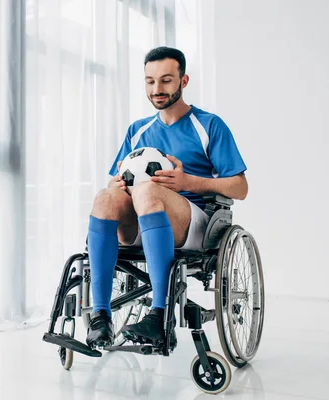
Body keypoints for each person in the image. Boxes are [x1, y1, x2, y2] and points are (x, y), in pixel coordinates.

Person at [86, 46, 248, 349]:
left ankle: (159, 315)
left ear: (183, 81)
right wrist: (118, 183)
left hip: (194, 221)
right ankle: (101, 316)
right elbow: (114, 178)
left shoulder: (209, 125)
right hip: (142, 216)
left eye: (166, 80)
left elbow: (241, 187)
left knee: (148, 190)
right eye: (150, 81)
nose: (157, 89)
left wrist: (189, 181)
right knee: (105, 197)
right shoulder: (138, 130)